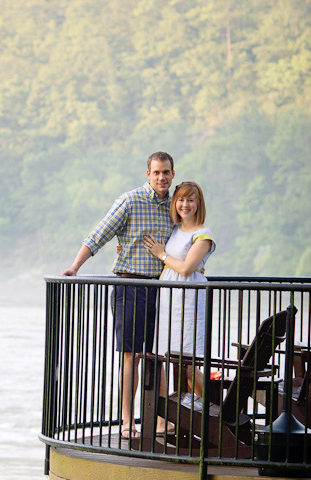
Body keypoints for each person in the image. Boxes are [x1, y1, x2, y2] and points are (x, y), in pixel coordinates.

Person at [62, 151, 175, 440]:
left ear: (173, 174)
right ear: (147, 174)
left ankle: (160, 420)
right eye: (157, 172)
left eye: (166, 172)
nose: (162, 177)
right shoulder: (130, 201)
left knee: (158, 357)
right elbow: (98, 235)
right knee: (131, 356)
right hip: (131, 286)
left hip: (161, 290)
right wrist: (75, 266)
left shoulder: (174, 206)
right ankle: (128, 421)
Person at [143, 181, 215, 399]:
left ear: (198, 204)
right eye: (181, 200)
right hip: (168, 299)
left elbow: (185, 268)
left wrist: (161, 254)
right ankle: (176, 414)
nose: (185, 205)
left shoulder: (203, 234)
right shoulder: (174, 229)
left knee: (189, 365)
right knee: (168, 356)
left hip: (189, 300)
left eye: (190, 200)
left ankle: (215, 408)